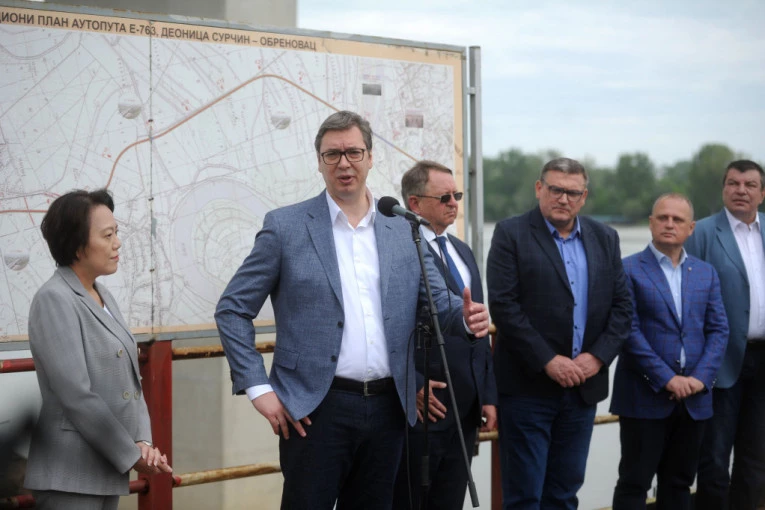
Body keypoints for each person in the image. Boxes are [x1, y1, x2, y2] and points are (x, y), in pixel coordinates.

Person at [214, 111, 489, 509]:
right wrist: (258, 388)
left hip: (389, 409)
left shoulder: (403, 228)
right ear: (320, 161)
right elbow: (233, 309)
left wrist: (464, 317)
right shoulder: (286, 226)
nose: (344, 163)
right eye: (333, 154)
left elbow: (437, 302)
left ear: (370, 157)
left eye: (354, 152)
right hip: (314, 409)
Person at [487, 157, 632, 510]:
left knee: (565, 494)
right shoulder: (511, 233)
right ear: (539, 188)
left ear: (584, 196)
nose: (563, 199)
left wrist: (597, 358)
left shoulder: (605, 238)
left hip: (583, 389)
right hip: (527, 389)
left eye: (572, 192)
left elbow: (622, 308)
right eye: (555, 189)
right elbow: (504, 307)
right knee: (525, 497)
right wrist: (549, 361)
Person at [24, 189, 171, 510]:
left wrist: (142, 442)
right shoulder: (54, 298)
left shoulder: (103, 295)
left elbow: (131, 382)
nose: (117, 243)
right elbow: (76, 394)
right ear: (77, 246)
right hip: (69, 474)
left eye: (116, 232)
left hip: (104, 469)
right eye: (107, 235)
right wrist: (131, 453)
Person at [610, 193, 729, 510]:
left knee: (679, 483)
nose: (669, 224)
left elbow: (719, 330)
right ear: (651, 223)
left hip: (694, 399)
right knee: (634, 483)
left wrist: (700, 378)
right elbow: (628, 331)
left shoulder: (705, 272)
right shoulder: (627, 269)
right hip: (643, 396)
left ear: (691, 228)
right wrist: (667, 379)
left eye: (677, 219)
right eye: (662, 217)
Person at [392, 161, 498, 510]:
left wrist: (487, 394)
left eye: (457, 195)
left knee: (450, 501)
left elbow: (478, 325)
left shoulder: (461, 249)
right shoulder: (399, 252)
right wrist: (411, 383)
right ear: (415, 203)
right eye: (444, 197)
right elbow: (388, 327)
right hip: (426, 405)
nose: (454, 203)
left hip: (465, 407)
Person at [685, 160, 765, 510]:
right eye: (733, 183)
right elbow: (686, 300)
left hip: (763, 362)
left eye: (750, 185)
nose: (741, 191)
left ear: (762, 193)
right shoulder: (701, 233)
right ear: (723, 189)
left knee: (756, 458)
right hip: (719, 362)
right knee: (714, 460)